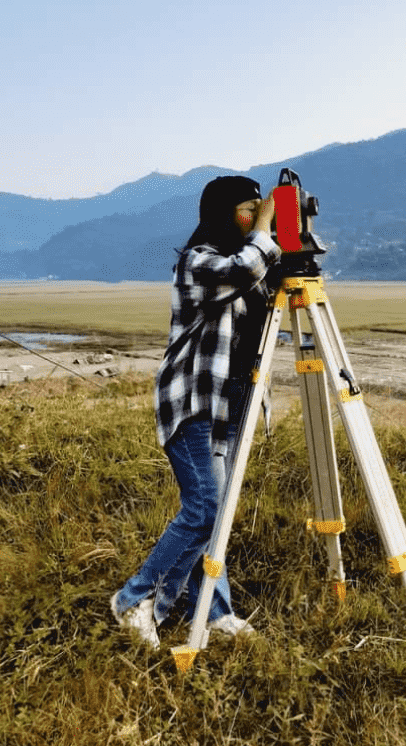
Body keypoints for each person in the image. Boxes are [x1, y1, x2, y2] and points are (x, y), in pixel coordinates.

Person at [111, 175, 281, 649]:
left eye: (258, 210)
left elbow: (260, 277)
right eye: (248, 210)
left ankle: (212, 610)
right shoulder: (199, 261)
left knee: (218, 515)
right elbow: (245, 269)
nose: (255, 218)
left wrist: (280, 245)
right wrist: (265, 232)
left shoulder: (250, 261)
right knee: (205, 508)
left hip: (227, 409)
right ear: (224, 213)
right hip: (193, 404)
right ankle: (134, 598)